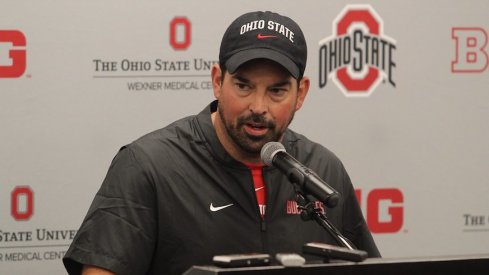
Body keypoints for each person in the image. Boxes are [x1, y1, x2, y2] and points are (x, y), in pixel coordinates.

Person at [63, 10, 380, 275]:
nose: (258, 106)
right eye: (243, 86)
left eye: (277, 91)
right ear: (217, 80)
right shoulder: (149, 166)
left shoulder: (323, 170)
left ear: (301, 94)